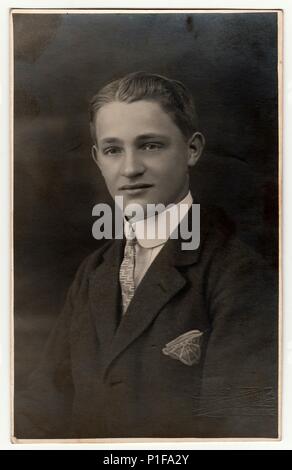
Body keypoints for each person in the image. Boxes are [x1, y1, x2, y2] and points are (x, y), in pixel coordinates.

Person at [14, 72, 278, 439]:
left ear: (192, 149)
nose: (130, 168)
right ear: (97, 159)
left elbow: (243, 433)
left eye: (151, 145)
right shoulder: (94, 272)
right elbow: (44, 406)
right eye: (112, 150)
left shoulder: (240, 275)